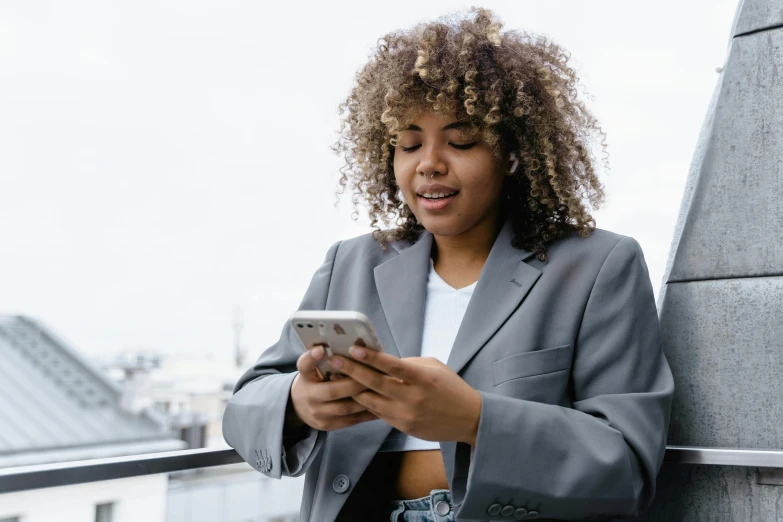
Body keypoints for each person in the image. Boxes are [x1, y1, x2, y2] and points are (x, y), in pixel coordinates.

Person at [223, 7, 674, 522]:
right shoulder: (350, 261)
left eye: (461, 140)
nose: (428, 162)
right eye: (409, 143)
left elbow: (628, 466)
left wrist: (477, 420)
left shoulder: (598, 266)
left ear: (512, 152)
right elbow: (244, 406)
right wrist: (297, 404)